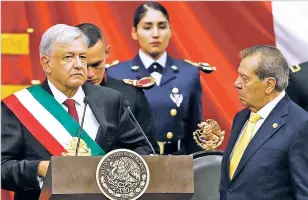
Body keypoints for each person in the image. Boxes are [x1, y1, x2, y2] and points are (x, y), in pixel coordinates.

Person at [1, 24, 152, 200]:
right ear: (46, 63)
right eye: (68, 57)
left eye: (82, 57)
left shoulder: (110, 100)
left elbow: (143, 148)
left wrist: (117, 170)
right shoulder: (20, 107)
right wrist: (40, 169)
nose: (79, 65)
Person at [107, 2, 203, 155]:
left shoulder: (189, 74)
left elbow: (195, 132)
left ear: (170, 31)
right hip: (134, 161)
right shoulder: (115, 74)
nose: (156, 33)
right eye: (147, 27)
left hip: (177, 162)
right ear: (134, 32)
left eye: (162, 26)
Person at [219, 45, 308, 200]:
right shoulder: (241, 118)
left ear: (269, 84)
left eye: (244, 78)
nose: (236, 83)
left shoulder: (300, 125)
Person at [76, 23, 160, 154]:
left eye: (96, 64)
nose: (90, 74)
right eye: (83, 65)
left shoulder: (130, 95)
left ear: (107, 52)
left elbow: (150, 150)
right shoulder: (59, 96)